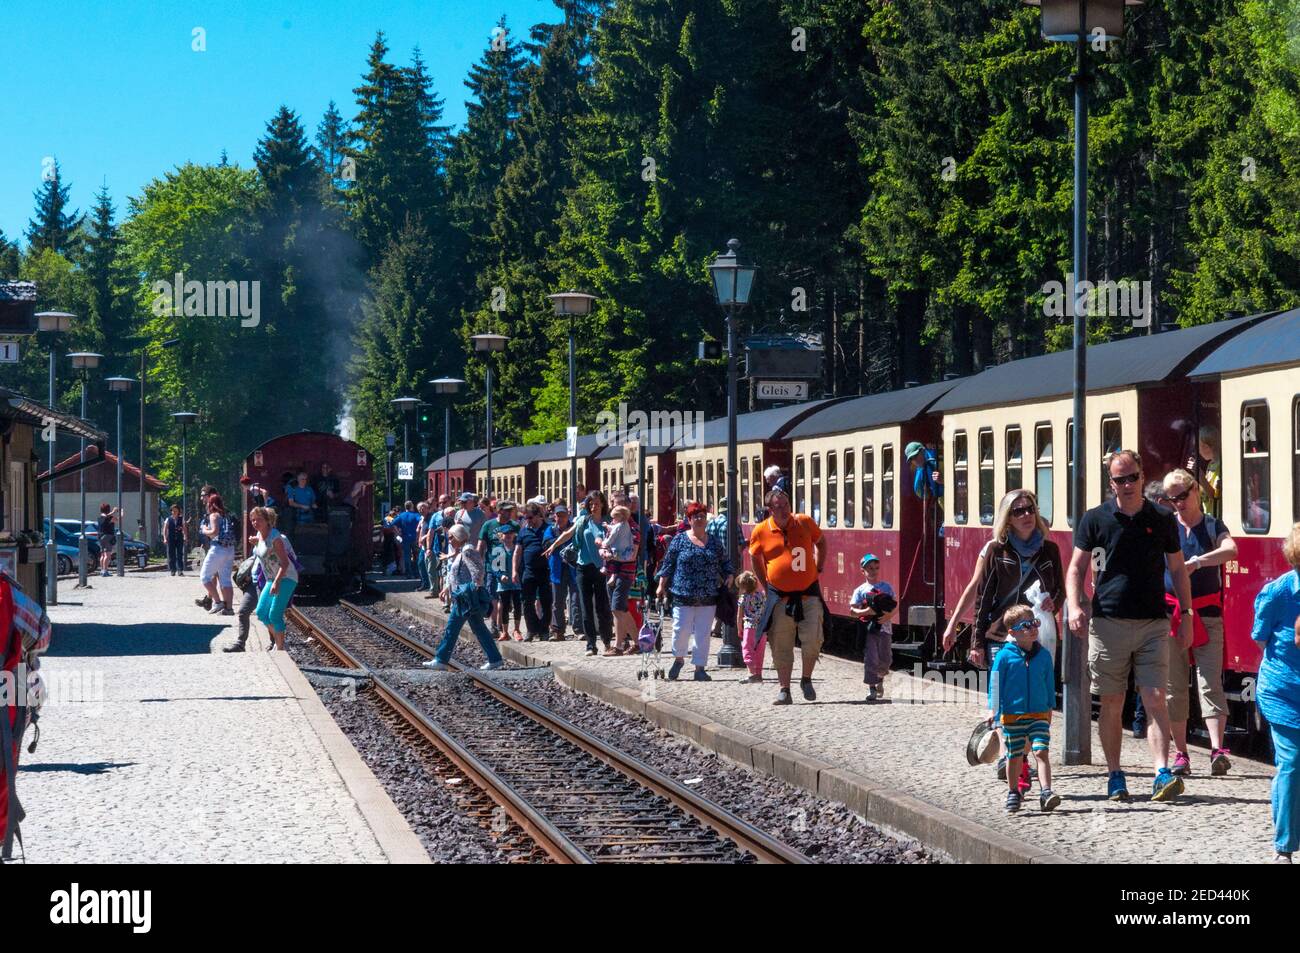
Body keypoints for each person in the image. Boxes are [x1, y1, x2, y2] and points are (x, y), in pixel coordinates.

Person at [1066, 449, 1192, 803]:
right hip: (1108, 622)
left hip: (1153, 621)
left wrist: (1188, 614)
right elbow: (1076, 568)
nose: (1127, 485)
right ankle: (1115, 774)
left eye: (1133, 477)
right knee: (1112, 700)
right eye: (1120, 480)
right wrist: (1075, 605)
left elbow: (1179, 569)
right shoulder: (1095, 520)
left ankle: (1161, 773)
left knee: (1155, 697)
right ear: (1111, 483)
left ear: (1141, 475)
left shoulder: (1162, 518)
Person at [1161, 469, 1236, 776]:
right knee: (1173, 687)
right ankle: (1181, 753)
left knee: (1209, 681)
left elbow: (1231, 549)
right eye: (1172, 498)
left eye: (1182, 495)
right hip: (1171, 615)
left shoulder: (1211, 525)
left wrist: (1200, 561)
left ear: (1196, 491)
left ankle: (1217, 749)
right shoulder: (1167, 528)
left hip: (1206, 613)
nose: (1178, 503)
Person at [748, 487, 827, 705]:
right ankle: (785, 690)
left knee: (812, 639)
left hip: (808, 594)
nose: (784, 509)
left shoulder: (804, 522)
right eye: (778, 506)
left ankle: (806, 679)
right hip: (780, 597)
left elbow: (821, 541)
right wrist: (765, 584)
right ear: (769, 509)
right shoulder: (761, 531)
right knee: (781, 644)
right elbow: (755, 557)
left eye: (786, 505)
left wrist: (819, 567)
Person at [1251, 523, 1300, 863]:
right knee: (1292, 762)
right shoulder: (1279, 592)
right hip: (1284, 692)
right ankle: (1284, 847)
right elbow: (1260, 635)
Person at [988, 605, 1061, 814]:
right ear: (1012, 633)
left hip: (1039, 714)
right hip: (1013, 716)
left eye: (1034, 623)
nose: (1033, 628)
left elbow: (1049, 684)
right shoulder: (1004, 656)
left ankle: (1046, 791)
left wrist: (1050, 709)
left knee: (1041, 751)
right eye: (1025, 626)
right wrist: (993, 710)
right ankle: (1013, 792)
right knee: (1015, 755)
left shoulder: (1044, 656)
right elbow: (995, 683)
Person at [655, 501, 734, 681]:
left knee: (703, 633)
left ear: (706, 520)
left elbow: (725, 561)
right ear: (689, 520)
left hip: (708, 595)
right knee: (680, 629)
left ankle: (700, 668)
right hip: (683, 594)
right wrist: (661, 585)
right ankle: (679, 659)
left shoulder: (713, 542)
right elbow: (668, 564)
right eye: (695, 516)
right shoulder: (680, 540)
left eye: (702, 516)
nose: (699, 519)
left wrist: (729, 574)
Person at [424, 525, 504, 671]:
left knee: (451, 629)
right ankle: (495, 658)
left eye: (450, 537)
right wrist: (447, 588)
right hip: (463, 596)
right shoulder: (462, 551)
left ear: (458, 536)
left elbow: (478, 572)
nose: (448, 540)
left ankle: (441, 660)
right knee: (479, 629)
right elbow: (458, 573)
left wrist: (472, 590)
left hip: (465, 598)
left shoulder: (467, 551)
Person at [544, 491, 614, 657]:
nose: (593, 506)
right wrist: (553, 545)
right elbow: (568, 533)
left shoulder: (607, 522)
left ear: (603, 504)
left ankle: (606, 642)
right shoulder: (583, 520)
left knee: (602, 607)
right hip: (583, 568)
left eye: (596, 503)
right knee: (586, 607)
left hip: (602, 569)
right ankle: (591, 645)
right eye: (591, 503)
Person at [249, 506, 298, 651]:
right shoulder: (259, 534)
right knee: (261, 612)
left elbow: (285, 563)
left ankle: (281, 649)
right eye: (253, 520)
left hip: (286, 577)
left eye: (259, 520)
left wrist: (276, 582)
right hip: (271, 578)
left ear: (267, 521)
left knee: (274, 614)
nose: (255, 523)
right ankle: (279, 639)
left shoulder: (276, 538)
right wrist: (255, 542)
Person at [850, 553, 896, 703]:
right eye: (870, 568)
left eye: (876, 567)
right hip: (869, 629)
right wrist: (865, 612)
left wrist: (889, 616)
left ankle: (880, 678)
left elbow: (895, 605)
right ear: (862, 571)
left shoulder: (886, 587)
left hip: (885, 629)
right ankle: (872, 688)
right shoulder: (860, 590)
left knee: (886, 659)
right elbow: (852, 610)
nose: (873, 571)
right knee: (871, 658)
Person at [602, 504, 639, 654]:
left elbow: (631, 555)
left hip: (625, 573)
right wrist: (603, 550)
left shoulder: (633, 528)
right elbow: (606, 542)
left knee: (617, 607)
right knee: (619, 609)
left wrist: (609, 553)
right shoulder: (615, 525)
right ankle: (632, 643)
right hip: (612, 570)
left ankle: (622, 645)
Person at [514, 503, 554, 643]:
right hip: (529, 571)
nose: (528, 520)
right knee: (527, 602)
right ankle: (532, 629)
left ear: (538, 515)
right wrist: (514, 570)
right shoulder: (524, 531)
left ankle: (544, 631)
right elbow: (517, 552)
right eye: (525, 518)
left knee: (546, 602)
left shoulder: (548, 529)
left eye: (530, 517)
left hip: (545, 571)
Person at [544, 503, 579, 641]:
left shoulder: (574, 528)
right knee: (557, 601)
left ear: (568, 516)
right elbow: (546, 544)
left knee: (576, 600)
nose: (560, 518)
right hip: (557, 569)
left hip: (573, 568)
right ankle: (558, 630)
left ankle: (579, 629)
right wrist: (562, 542)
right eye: (558, 515)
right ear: (554, 516)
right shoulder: (550, 530)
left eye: (563, 515)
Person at [198, 494, 237, 616]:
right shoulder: (226, 515)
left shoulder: (214, 515)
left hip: (218, 549)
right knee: (225, 579)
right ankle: (229, 609)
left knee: (204, 577)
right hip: (229, 549)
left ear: (211, 504)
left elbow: (214, 532)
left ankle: (218, 602)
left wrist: (204, 530)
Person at [223, 555, 262, 653]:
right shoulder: (258, 541)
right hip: (253, 582)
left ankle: (276, 643)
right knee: (243, 611)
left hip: (266, 582)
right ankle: (240, 644)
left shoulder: (278, 540)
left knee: (266, 614)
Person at [735, 570, 766, 683]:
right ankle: (758, 674)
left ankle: (751, 673)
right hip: (762, 628)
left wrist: (739, 628)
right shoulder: (762, 595)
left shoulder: (743, 598)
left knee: (747, 649)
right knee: (760, 651)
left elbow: (739, 615)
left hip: (749, 627)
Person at [1187, 424, 1221, 519]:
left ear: (1206, 447)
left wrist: (1199, 473)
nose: (1198, 451)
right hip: (1209, 515)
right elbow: (1205, 490)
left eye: (1198, 447)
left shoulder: (1220, 467)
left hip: (1216, 516)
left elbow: (1214, 496)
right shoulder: (1211, 465)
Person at [393, 501, 423, 579]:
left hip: (405, 538)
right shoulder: (416, 515)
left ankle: (408, 574)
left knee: (407, 556)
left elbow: (393, 524)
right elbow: (421, 522)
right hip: (414, 538)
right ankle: (416, 573)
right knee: (416, 555)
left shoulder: (401, 516)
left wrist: (398, 533)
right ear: (412, 506)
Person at [96, 503, 121, 576]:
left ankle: (102, 570)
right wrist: (117, 512)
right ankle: (105, 571)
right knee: (107, 555)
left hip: (100, 537)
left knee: (102, 555)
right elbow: (118, 520)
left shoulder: (100, 518)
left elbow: (105, 516)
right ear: (108, 509)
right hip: (108, 536)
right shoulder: (109, 518)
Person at [163, 503, 187, 576]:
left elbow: (184, 529)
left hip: (179, 538)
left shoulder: (181, 518)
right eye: (172, 511)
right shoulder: (168, 519)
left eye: (175, 511)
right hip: (171, 538)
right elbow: (165, 529)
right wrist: (164, 538)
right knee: (171, 554)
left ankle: (180, 570)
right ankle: (172, 570)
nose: (174, 512)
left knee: (180, 554)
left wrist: (185, 536)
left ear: (178, 511)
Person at [414, 501, 433, 592]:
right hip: (423, 545)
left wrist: (424, 537)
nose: (421, 510)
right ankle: (425, 583)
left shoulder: (431, 517)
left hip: (430, 544)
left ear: (427, 508)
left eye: (423, 508)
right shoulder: (422, 518)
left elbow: (433, 530)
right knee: (421, 563)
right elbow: (420, 530)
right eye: (419, 509)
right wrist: (419, 540)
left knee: (426, 565)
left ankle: (428, 584)